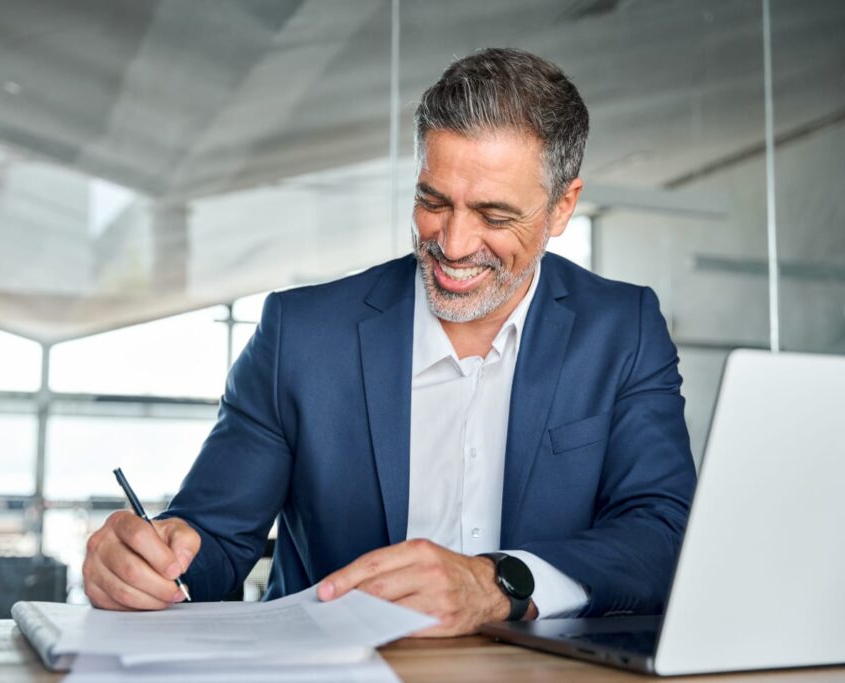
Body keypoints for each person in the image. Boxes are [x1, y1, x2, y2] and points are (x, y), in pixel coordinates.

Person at [82, 47, 697, 637]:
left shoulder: (623, 328)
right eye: (434, 202)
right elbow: (211, 542)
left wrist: (498, 584)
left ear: (563, 208)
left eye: (494, 216)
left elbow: (662, 534)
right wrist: (146, 565)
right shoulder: (300, 335)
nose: (453, 245)